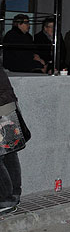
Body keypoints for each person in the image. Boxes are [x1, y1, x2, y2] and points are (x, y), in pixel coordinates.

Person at [0, 65, 25, 214]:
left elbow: (6, 92)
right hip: (7, 111)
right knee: (10, 154)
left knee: (8, 154)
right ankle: (14, 194)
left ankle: (6, 198)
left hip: (4, 113)